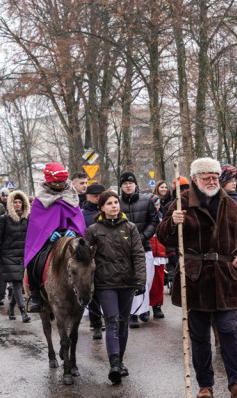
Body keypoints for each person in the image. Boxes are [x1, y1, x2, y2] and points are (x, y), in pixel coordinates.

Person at [156, 157, 237, 398]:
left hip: (224, 276)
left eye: (215, 177)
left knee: (228, 330)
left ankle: (236, 384)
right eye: (206, 178)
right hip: (195, 277)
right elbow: (163, 236)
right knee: (200, 335)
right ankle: (205, 385)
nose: (212, 182)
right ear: (195, 180)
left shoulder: (229, 203)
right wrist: (172, 222)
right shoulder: (181, 203)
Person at [85, 189, 146, 383]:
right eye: (109, 203)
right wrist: (88, 286)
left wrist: (140, 280)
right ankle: (113, 365)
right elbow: (87, 260)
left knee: (123, 323)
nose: (114, 206)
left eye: (116, 202)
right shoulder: (93, 230)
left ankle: (120, 361)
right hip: (105, 283)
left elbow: (138, 254)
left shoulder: (130, 228)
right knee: (112, 320)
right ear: (102, 207)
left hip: (127, 282)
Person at [24, 162, 87, 312]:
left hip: (71, 238)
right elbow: (37, 224)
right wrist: (49, 234)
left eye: (61, 181)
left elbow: (78, 219)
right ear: (48, 180)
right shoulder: (40, 199)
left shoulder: (71, 195)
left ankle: (90, 292)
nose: (59, 184)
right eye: (56, 181)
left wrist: (72, 231)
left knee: (87, 260)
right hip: (48, 241)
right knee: (34, 261)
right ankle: (35, 295)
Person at [118, 171, 158, 327]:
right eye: (125, 183)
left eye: (130, 183)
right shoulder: (117, 202)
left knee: (145, 280)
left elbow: (153, 221)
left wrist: (143, 236)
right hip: (124, 248)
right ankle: (133, 313)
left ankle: (143, 308)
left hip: (144, 246)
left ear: (135, 184)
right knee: (131, 281)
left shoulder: (146, 201)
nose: (128, 186)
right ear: (121, 186)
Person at [0, 191, 31, 322]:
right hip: (9, 255)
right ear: (10, 204)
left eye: (20, 202)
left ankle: (11, 307)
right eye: (15, 202)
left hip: (23, 255)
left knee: (19, 283)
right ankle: (23, 312)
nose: (17, 204)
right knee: (16, 283)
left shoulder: (28, 219)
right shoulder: (4, 219)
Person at [80, 182, 106, 337]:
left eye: (99, 196)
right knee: (93, 291)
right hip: (89, 256)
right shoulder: (81, 214)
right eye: (94, 196)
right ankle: (96, 324)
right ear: (87, 196)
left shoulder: (108, 210)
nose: (97, 199)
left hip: (108, 255)